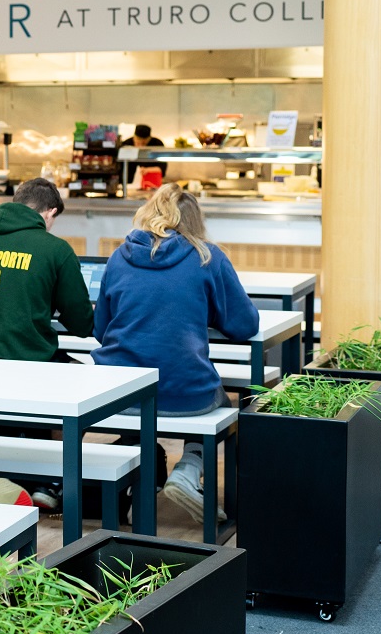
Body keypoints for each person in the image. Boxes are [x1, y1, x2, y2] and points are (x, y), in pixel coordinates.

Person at [92, 185, 258, 527]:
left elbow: (101, 329)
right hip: (184, 392)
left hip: (119, 392)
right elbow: (244, 325)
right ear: (196, 221)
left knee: (139, 396)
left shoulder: (118, 256)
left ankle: (141, 489)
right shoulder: (207, 257)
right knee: (223, 400)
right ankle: (189, 467)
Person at [0, 176, 94, 509]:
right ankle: (53, 481)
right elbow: (82, 323)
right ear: (50, 213)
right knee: (83, 381)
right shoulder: (54, 248)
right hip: (28, 366)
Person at [119, 123, 168, 190]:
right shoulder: (126, 145)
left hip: (150, 185)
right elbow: (119, 166)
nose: (141, 146)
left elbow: (162, 168)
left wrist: (148, 170)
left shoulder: (157, 144)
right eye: (138, 143)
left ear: (149, 139)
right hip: (126, 185)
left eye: (144, 143)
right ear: (134, 138)